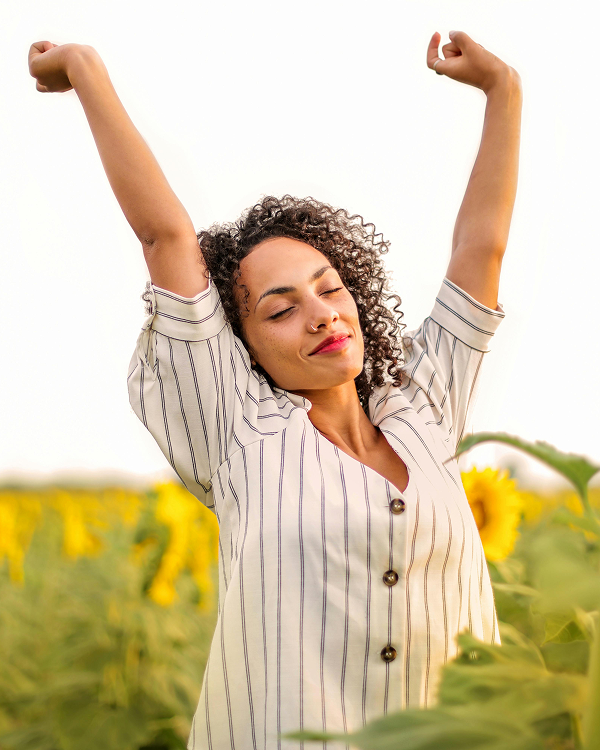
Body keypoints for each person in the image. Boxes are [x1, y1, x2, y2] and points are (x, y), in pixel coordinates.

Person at [29, 29, 522, 750]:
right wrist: (84, 68)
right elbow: (165, 237)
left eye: (330, 289)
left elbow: (481, 249)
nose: (321, 312)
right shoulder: (238, 430)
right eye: (281, 308)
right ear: (242, 344)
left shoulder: (426, 408)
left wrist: (502, 89)